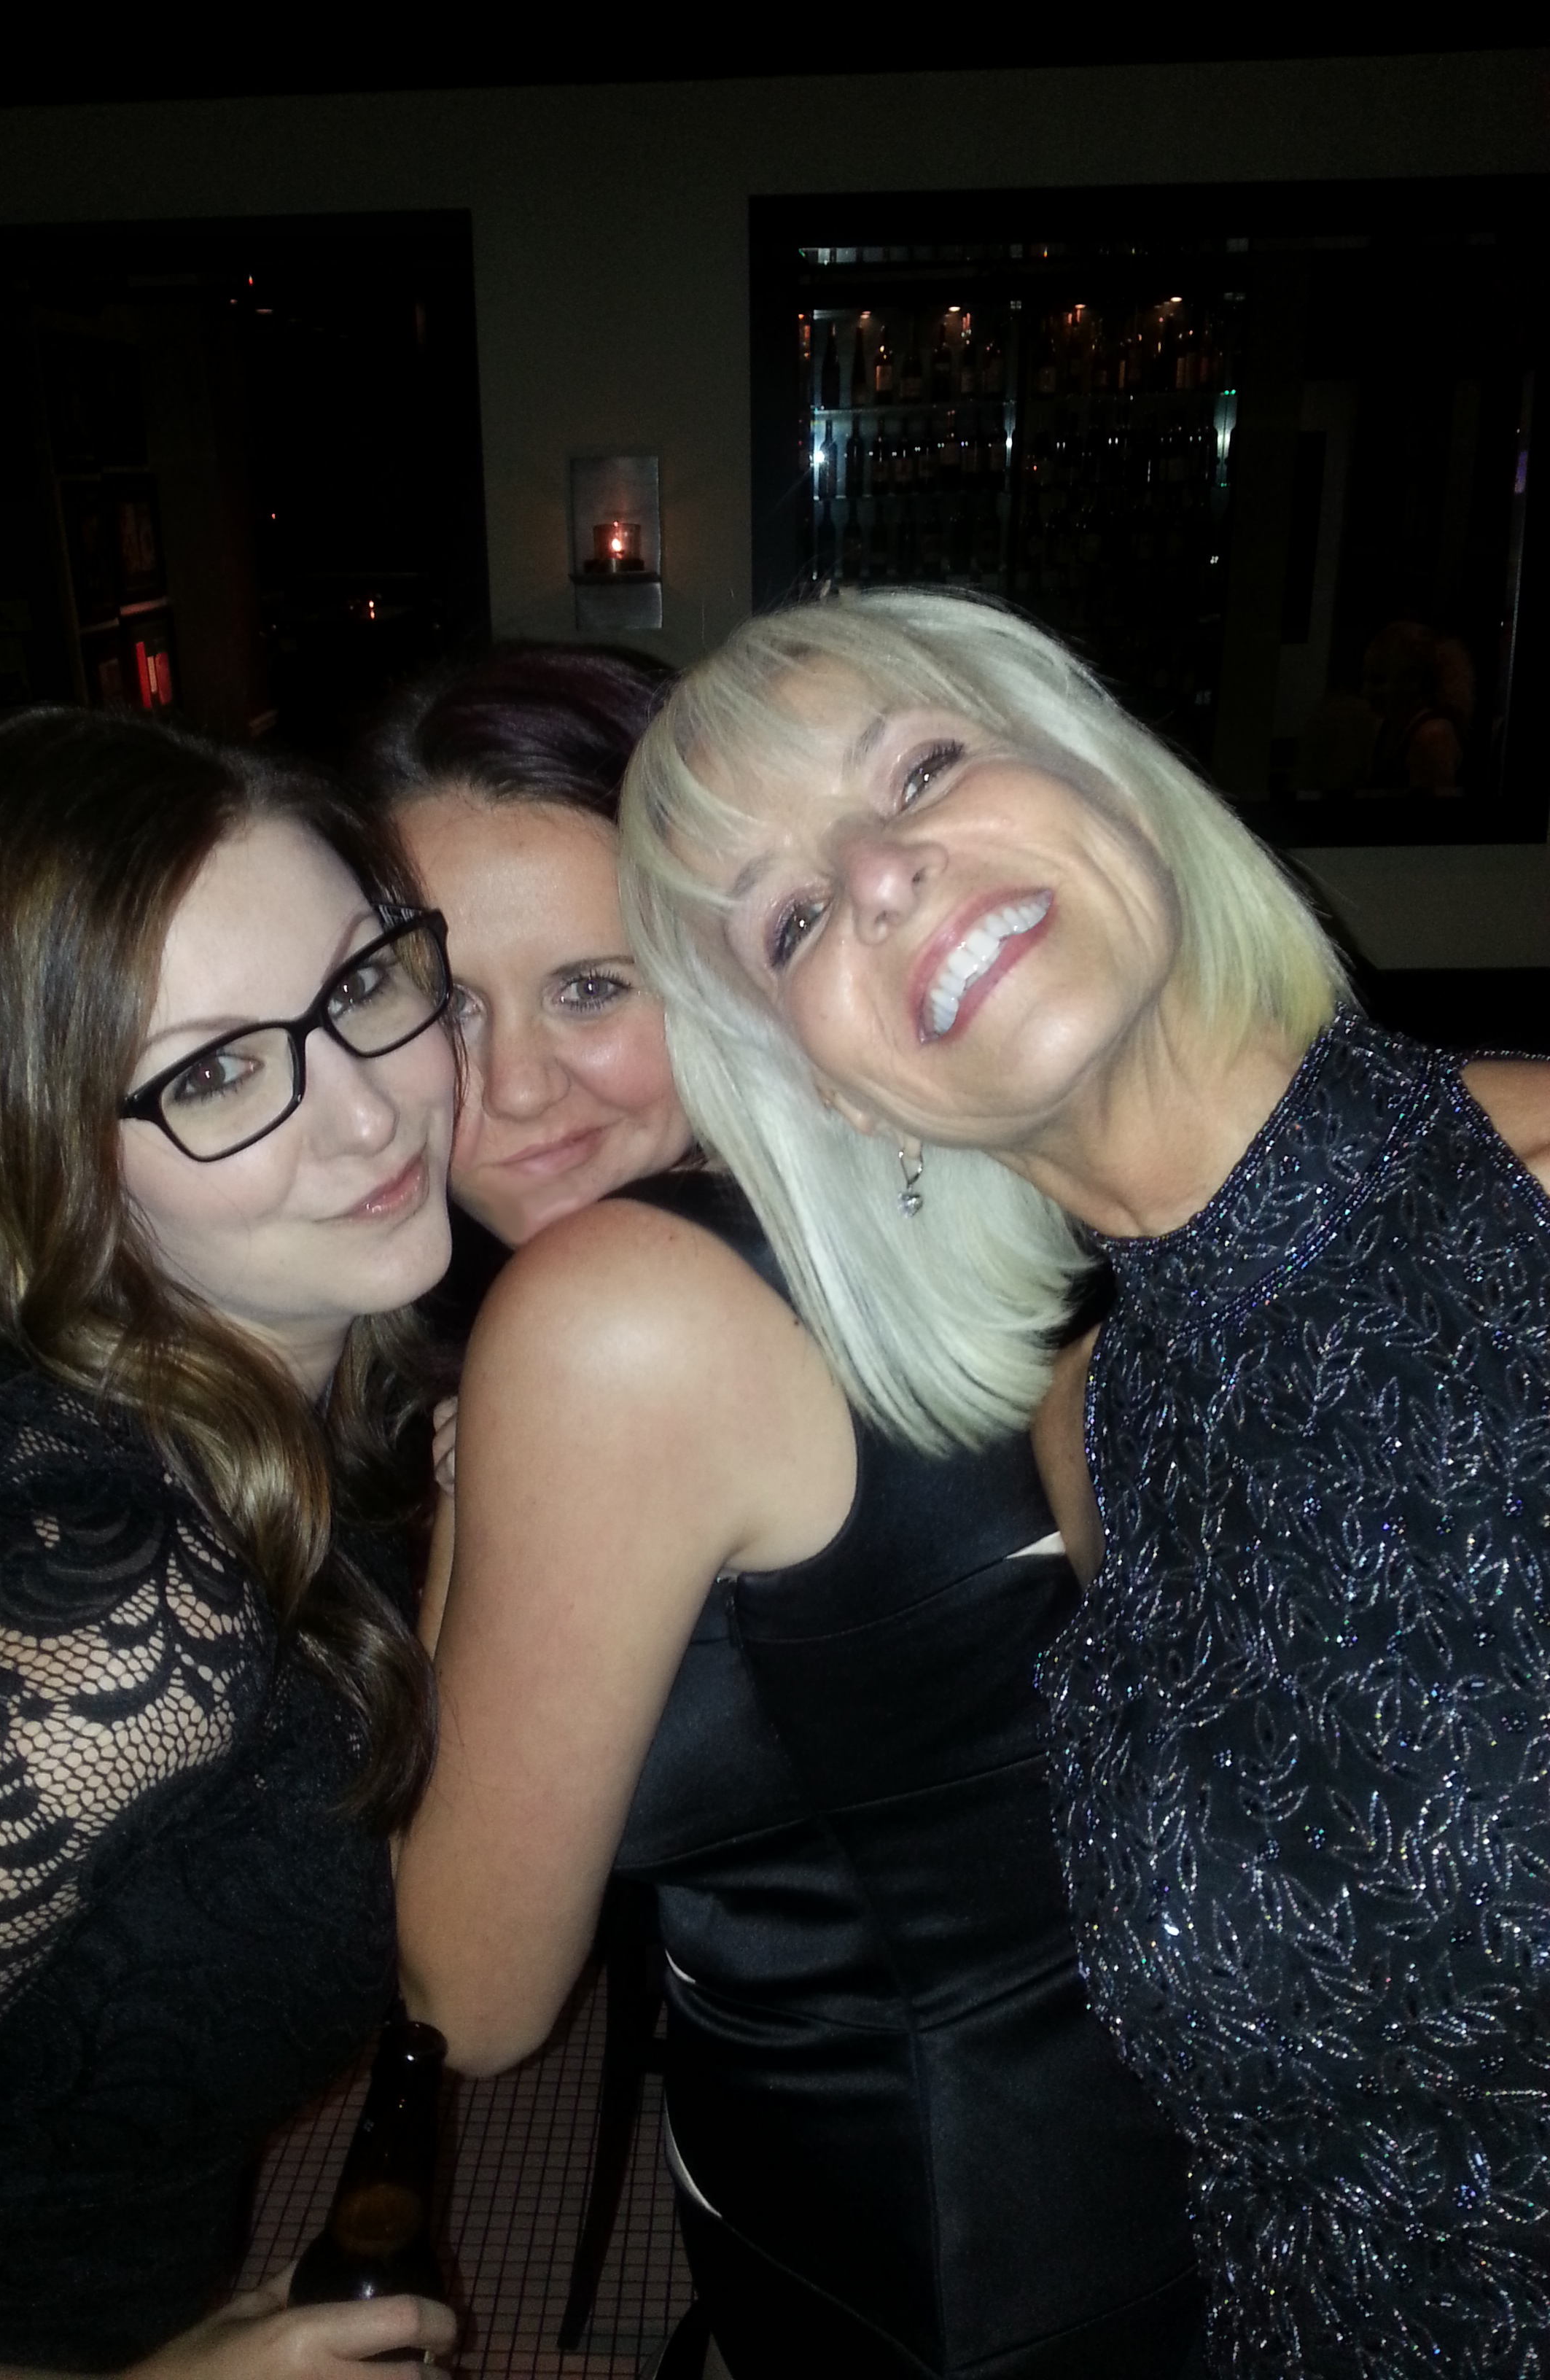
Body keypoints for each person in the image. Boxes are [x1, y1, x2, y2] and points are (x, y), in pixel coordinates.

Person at [618, 588, 1550, 2379]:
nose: (879, 873)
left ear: (1107, 773)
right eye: (790, 918)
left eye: (920, 767)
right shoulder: (1091, 1421)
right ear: (843, 1098)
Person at [374, 646, 1204, 2379]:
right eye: (441, 1006)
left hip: (927, 2248)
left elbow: (467, 1995)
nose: (510, 1089)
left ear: (730, 972)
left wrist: (469, 1492)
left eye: (591, 986)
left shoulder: (612, 1315)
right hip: (1124, 2179)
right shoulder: (946, 1184)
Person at [0, 709, 460, 2378]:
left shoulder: (327, 1399)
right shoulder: (102, 1608)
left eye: (363, 985)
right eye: (215, 1071)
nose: (370, 1117)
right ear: (48, 1148)